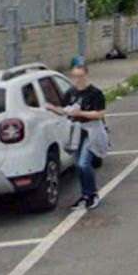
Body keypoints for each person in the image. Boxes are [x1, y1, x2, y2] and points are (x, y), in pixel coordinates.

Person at [47, 56, 109, 210]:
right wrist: (53, 109)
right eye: (75, 76)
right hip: (75, 131)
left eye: (81, 76)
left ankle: (92, 194)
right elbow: (64, 109)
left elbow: (100, 113)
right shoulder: (71, 92)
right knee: (77, 164)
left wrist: (80, 113)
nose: (78, 80)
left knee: (84, 163)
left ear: (86, 75)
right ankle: (85, 194)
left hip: (91, 130)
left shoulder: (95, 93)